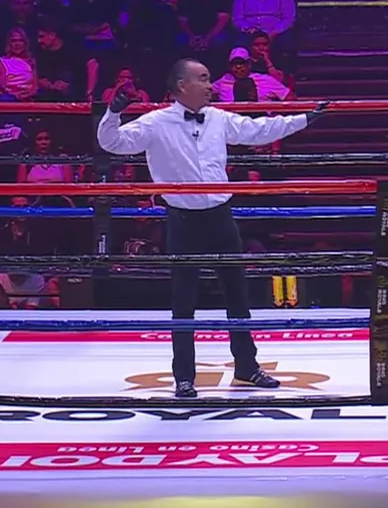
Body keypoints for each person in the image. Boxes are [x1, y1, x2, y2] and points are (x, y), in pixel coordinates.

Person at [97, 58, 324, 398]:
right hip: (182, 220)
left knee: (237, 294)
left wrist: (303, 119)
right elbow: (112, 143)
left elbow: (258, 130)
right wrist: (114, 111)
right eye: (203, 79)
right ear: (182, 85)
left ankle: (247, 366)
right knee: (183, 300)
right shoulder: (156, 123)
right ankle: (184, 377)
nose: (210, 85)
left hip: (221, 216)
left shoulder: (218, 117)